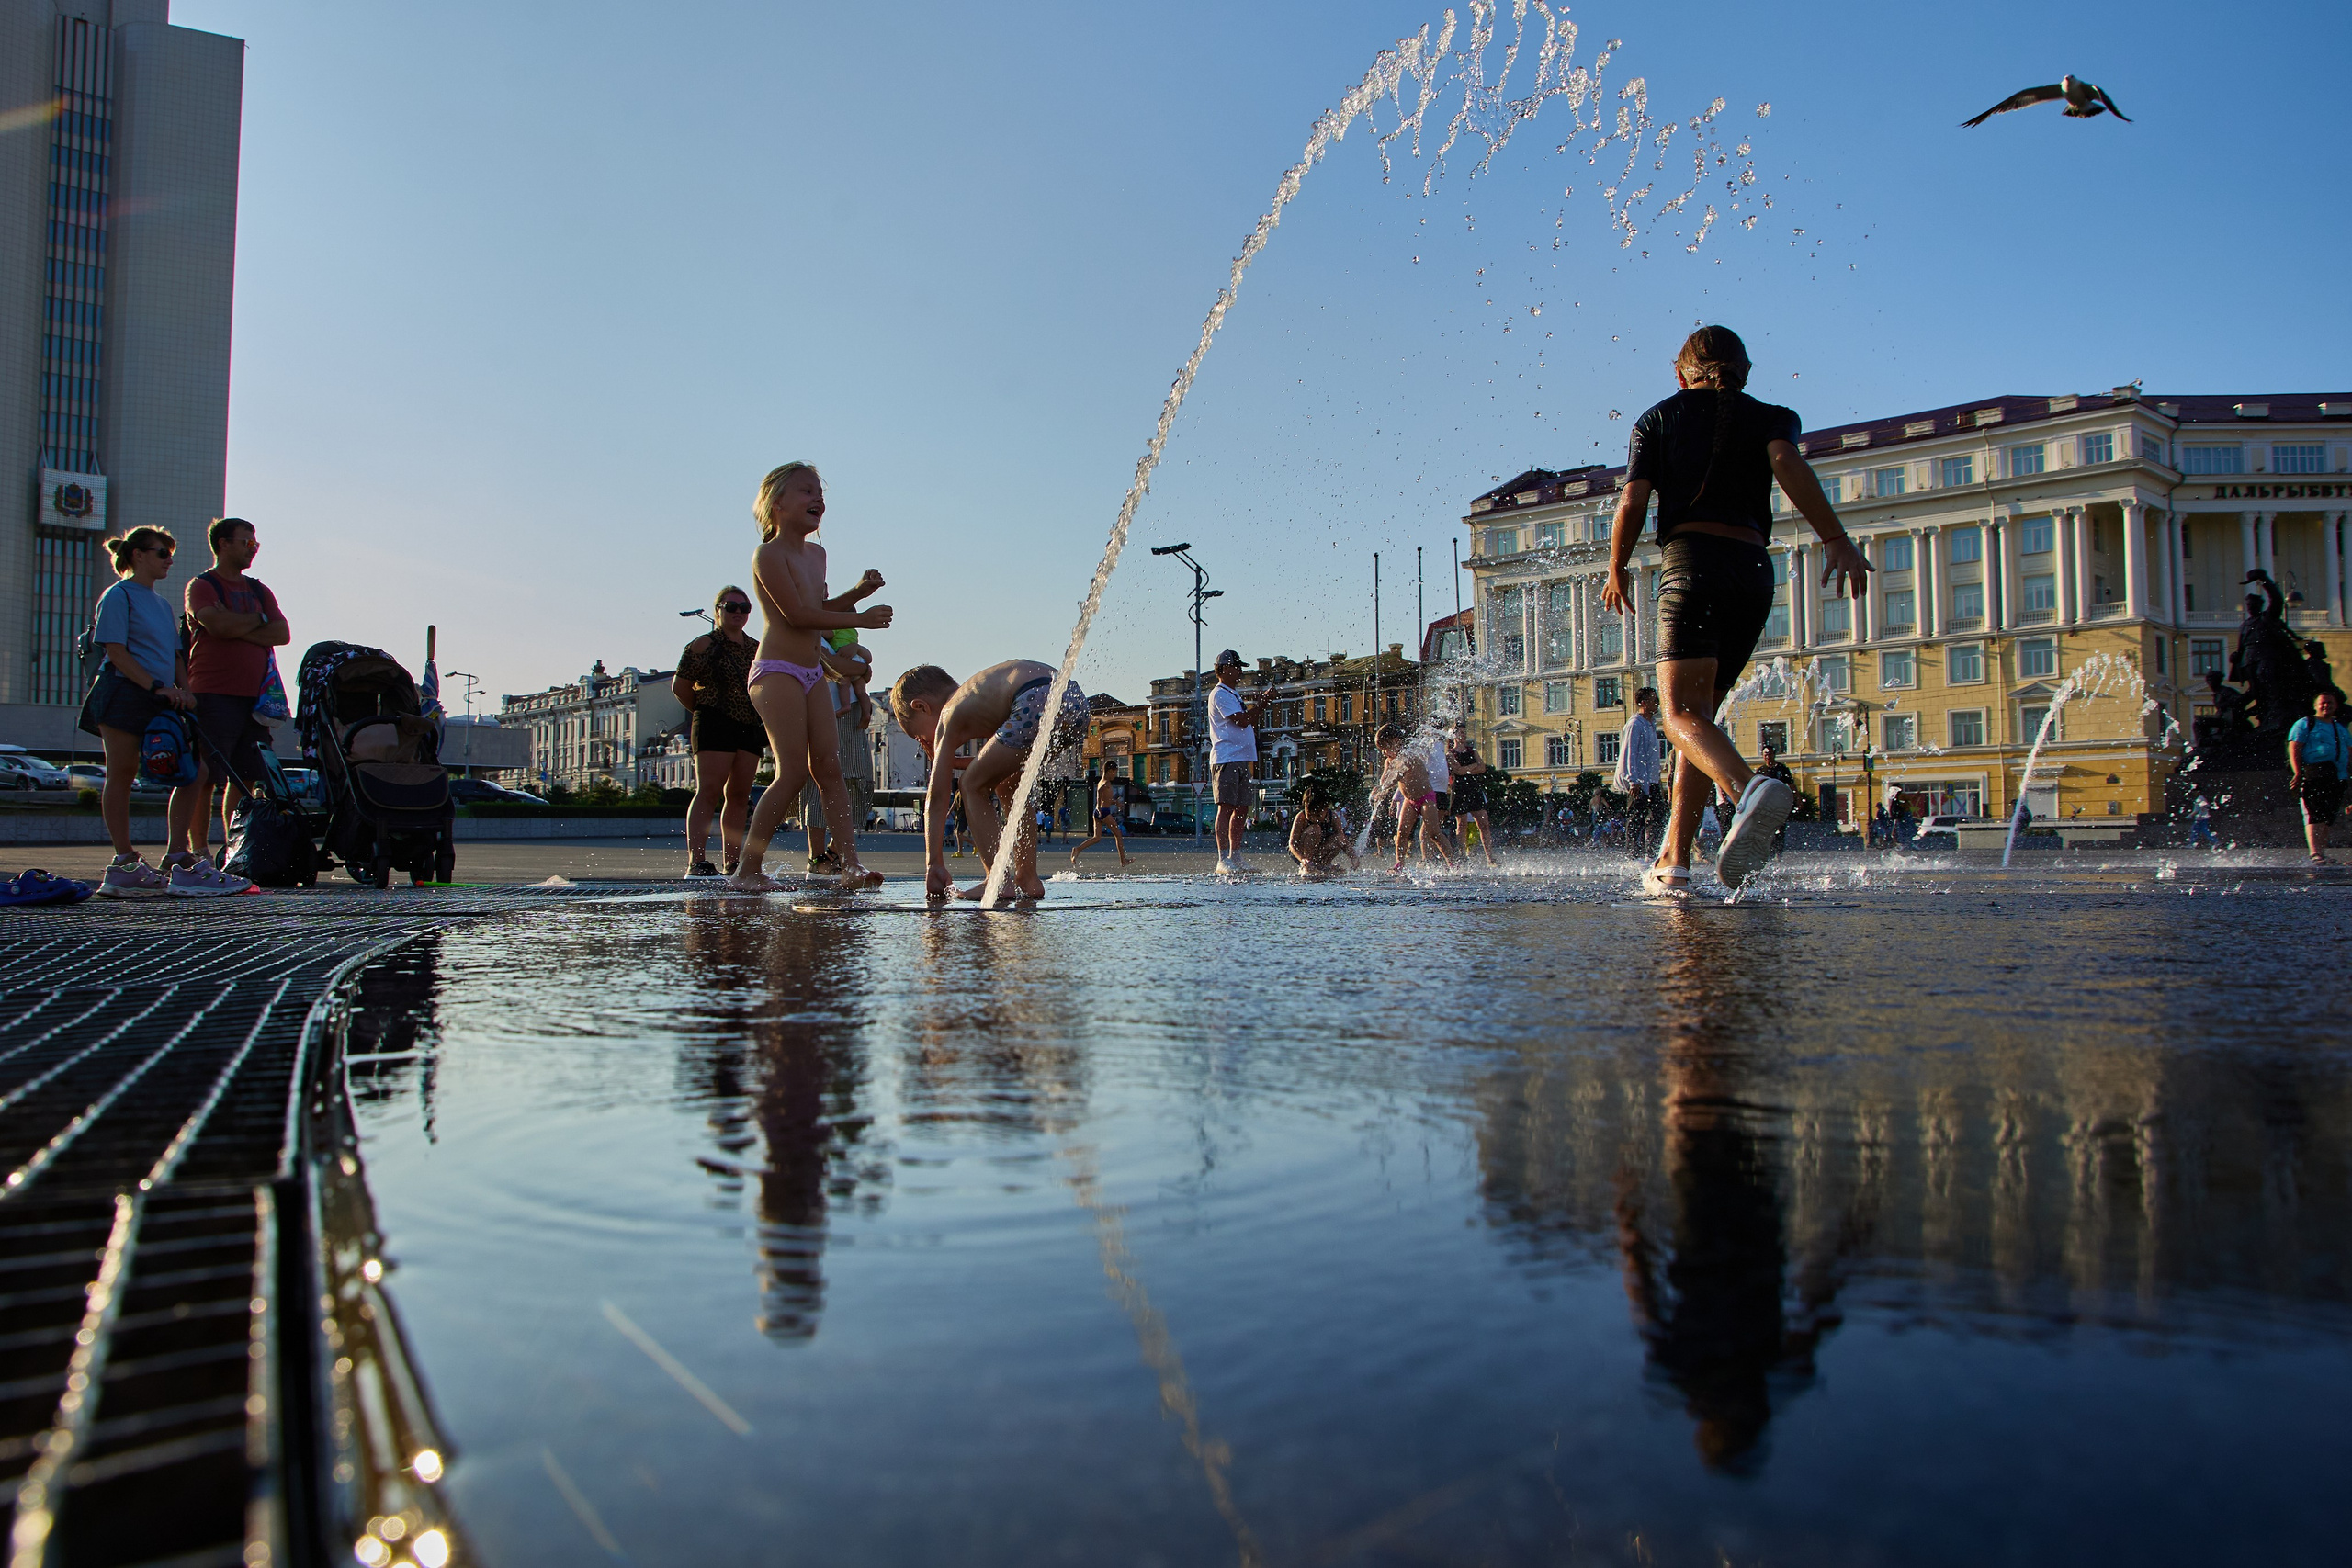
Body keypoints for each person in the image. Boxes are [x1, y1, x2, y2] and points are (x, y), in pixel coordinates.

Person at [1601, 325, 1871, 895]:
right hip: (1751, 574)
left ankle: (1749, 791)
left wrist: (1616, 566)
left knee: (1676, 712)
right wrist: (1835, 538)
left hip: (1691, 566)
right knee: (1699, 722)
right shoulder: (1773, 417)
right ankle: (1674, 860)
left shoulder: (1657, 418)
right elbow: (1788, 465)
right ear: (1745, 372)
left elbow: (1633, 498)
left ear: (1680, 373)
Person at [729, 462, 893, 890]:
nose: (817, 499)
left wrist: (857, 593)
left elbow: (821, 611)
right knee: (793, 771)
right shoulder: (768, 555)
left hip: (810, 671)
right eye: (806, 491)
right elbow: (797, 615)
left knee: (829, 767)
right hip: (776, 671)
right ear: (775, 503)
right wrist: (862, 617)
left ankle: (848, 863)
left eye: (820, 493)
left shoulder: (817, 555)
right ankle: (747, 870)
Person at [78, 528, 244, 897]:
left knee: (193, 771)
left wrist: (184, 690)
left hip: (160, 697)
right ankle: (124, 863)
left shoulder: (162, 603)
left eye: (169, 553)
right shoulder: (118, 595)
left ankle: (176, 857)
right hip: (123, 691)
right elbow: (116, 651)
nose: (169, 560)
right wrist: (158, 687)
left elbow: (173, 655)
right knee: (121, 772)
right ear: (137, 556)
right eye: (161, 553)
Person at [893, 660, 1088, 902]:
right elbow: (994, 758)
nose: (926, 743)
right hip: (1073, 700)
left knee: (970, 785)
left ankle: (997, 881)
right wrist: (953, 761)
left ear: (921, 707)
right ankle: (1028, 878)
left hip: (1034, 699)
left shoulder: (948, 713)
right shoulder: (979, 695)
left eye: (921, 737)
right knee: (1009, 785)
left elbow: (938, 795)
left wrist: (934, 863)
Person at [178, 516, 288, 874]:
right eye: (246, 541)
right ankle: (198, 851)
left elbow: (282, 632)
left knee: (247, 776)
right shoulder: (203, 586)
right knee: (206, 773)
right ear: (223, 544)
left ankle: (233, 848)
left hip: (255, 699)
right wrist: (256, 623)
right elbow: (217, 625)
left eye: (255, 541)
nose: (253, 547)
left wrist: (242, 623)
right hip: (212, 693)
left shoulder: (260, 591)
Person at [673, 584, 765, 877]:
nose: (738, 612)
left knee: (739, 795)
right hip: (714, 721)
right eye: (731, 607)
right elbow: (680, 687)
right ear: (718, 611)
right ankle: (696, 860)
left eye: (745, 608)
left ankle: (732, 862)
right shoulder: (702, 645)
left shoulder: (756, 648)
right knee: (709, 790)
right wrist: (704, 710)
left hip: (749, 725)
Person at [802, 631, 877, 874]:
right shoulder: (805, 632)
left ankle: (834, 853)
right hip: (824, 713)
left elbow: (865, 664)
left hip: (851, 715)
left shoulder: (840, 639)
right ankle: (816, 857)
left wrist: (859, 665)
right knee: (819, 784)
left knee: (856, 779)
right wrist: (858, 667)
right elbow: (831, 664)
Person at [1206, 650, 1272, 874]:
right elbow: (1242, 721)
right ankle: (1223, 859)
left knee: (1242, 808)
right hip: (1226, 758)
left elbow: (1245, 720)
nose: (1240, 671)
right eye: (1236, 666)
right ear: (1223, 669)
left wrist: (1260, 705)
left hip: (1241, 758)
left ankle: (1236, 856)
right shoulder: (1220, 694)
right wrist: (1262, 705)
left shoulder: (1234, 694)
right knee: (1226, 808)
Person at [1372, 721, 1454, 873]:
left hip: (1427, 798)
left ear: (1396, 742)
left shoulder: (1408, 755)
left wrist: (1385, 787)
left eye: (1386, 748)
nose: (1384, 753)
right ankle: (1399, 864)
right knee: (1402, 832)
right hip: (1409, 801)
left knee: (1434, 833)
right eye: (1382, 750)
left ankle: (1452, 862)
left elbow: (1398, 775)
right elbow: (1384, 780)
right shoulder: (1389, 761)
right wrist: (1379, 789)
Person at [2287, 689, 2350, 865]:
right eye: (2322, 702)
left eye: (2330, 703)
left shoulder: (2340, 727)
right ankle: (2315, 853)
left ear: (2336, 706)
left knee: (2327, 816)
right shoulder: (2305, 724)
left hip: (2338, 775)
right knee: (2314, 813)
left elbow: (2349, 752)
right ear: (2315, 705)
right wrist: (2298, 772)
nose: (2326, 706)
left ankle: (2321, 853)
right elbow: (2294, 747)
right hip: (2314, 772)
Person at [1614, 687, 1667, 855]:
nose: (1657, 702)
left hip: (1651, 781)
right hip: (1638, 782)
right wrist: (1632, 781)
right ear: (1643, 703)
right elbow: (1629, 753)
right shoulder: (1635, 724)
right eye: (1653, 699)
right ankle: (1633, 855)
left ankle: (1652, 853)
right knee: (1636, 818)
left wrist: (1657, 778)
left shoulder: (1651, 724)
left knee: (1659, 815)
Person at [1069, 758, 1135, 870]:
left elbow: (1105, 799)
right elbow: (1099, 794)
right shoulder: (1106, 783)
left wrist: (1115, 802)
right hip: (1103, 812)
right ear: (1110, 771)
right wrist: (1099, 806)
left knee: (1096, 838)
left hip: (1098, 813)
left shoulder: (1101, 781)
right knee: (1118, 834)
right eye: (1115, 772)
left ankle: (1077, 849)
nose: (1115, 775)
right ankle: (1123, 860)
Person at [1446, 730, 1498, 865]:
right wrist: (1474, 766)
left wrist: (1468, 769)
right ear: (1453, 736)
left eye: (1464, 732)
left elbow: (1482, 768)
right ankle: (1462, 855)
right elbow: (1458, 771)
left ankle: (1490, 858)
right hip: (1460, 790)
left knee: (1483, 823)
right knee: (1461, 824)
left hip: (1474, 789)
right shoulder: (1450, 753)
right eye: (1460, 733)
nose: (1463, 735)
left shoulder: (1472, 750)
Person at [1287, 780, 1357, 877]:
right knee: (1315, 829)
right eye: (1310, 815)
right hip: (1302, 853)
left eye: (1318, 815)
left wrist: (1353, 856)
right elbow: (1292, 844)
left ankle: (1324, 865)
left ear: (1326, 808)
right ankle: (1307, 867)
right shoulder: (1301, 817)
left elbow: (1343, 840)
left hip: (1320, 851)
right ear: (1305, 807)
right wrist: (1303, 859)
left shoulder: (1332, 816)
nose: (1314, 818)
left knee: (1339, 838)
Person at [1756, 745, 1795, 857]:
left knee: (1779, 828)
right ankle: (1767, 852)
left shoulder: (1782, 769)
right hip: (1766, 804)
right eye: (1765, 755)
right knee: (1766, 828)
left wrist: (1796, 799)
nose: (1767, 757)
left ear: (1774, 755)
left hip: (1779, 804)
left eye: (1770, 754)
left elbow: (1791, 784)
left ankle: (1778, 852)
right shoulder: (1761, 771)